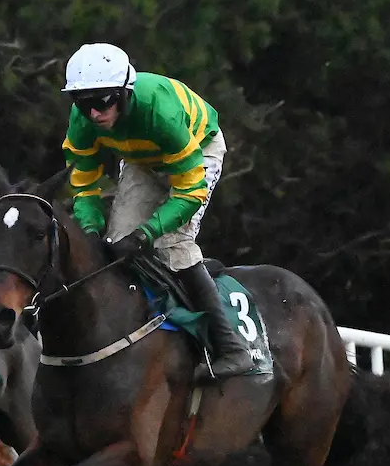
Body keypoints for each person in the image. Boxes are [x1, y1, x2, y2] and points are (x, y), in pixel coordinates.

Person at [61, 42, 252, 382]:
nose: (93, 114)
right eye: (82, 103)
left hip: (197, 151)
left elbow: (189, 190)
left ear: (125, 92)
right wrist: (90, 229)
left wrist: (147, 232)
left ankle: (231, 348)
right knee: (115, 242)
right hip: (142, 160)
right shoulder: (83, 121)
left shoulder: (160, 113)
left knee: (170, 244)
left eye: (102, 101)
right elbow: (84, 182)